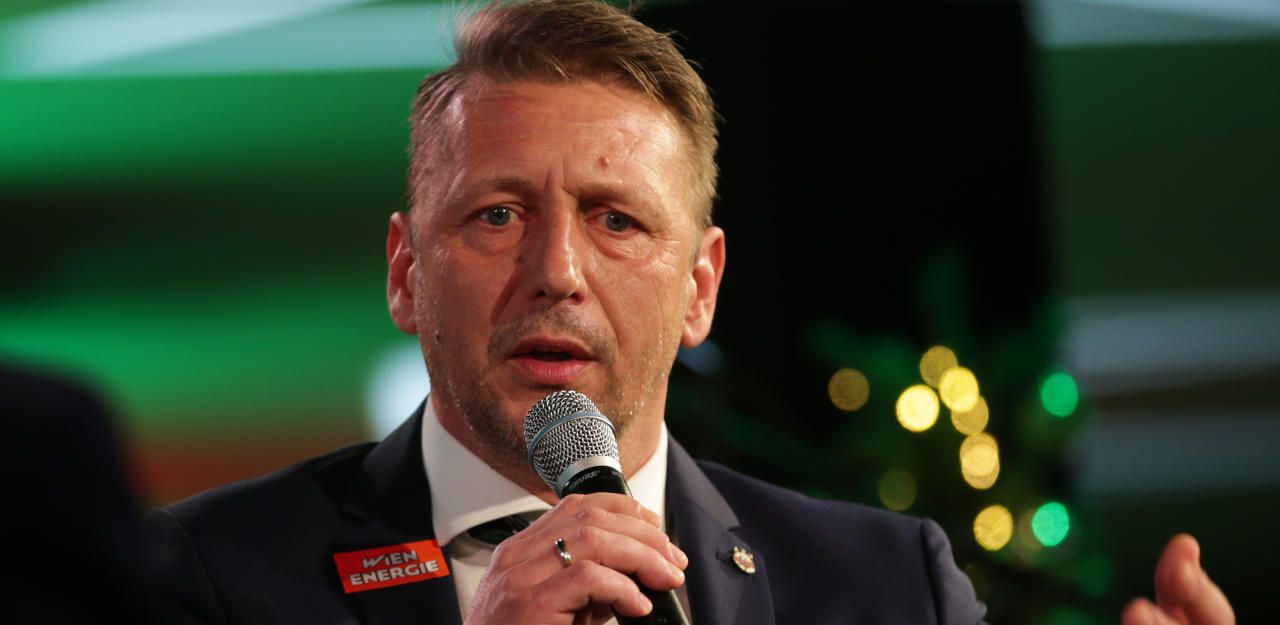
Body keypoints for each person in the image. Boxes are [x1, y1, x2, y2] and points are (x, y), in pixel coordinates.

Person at [143, 2, 1235, 624]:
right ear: (404, 271)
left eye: (616, 220)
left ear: (700, 288)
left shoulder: (883, 586)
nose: (556, 270)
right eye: (496, 215)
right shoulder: (207, 574)